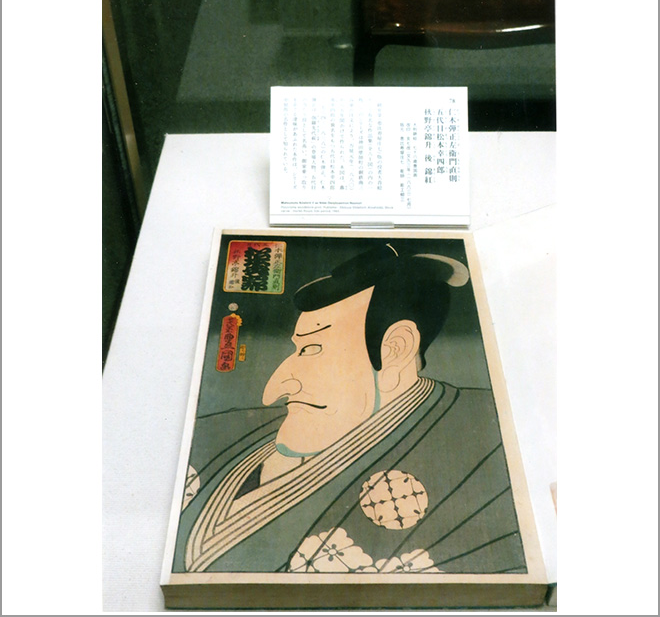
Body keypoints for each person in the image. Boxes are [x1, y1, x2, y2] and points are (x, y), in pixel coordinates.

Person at [173, 244, 527, 575]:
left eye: (312, 349)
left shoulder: (492, 444)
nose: (274, 390)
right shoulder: (220, 434)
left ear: (395, 350)